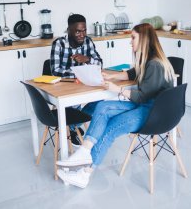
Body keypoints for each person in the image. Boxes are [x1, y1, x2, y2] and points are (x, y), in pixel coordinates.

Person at [56, 23, 176, 188]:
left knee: (110, 128)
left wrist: (117, 89)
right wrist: (112, 77)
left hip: (153, 114)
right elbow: (132, 73)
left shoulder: (155, 65)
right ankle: (84, 151)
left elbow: (141, 97)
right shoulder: (149, 60)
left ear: (144, 40)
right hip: (146, 106)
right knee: (102, 107)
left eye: (133, 38)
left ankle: (84, 174)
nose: (130, 42)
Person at [50, 14, 103, 145]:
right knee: (73, 104)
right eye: (78, 31)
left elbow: (100, 64)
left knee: (100, 100)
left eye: (84, 30)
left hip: (83, 84)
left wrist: (88, 59)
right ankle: (73, 127)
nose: (82, 34)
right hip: (64, 86)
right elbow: (55, 71)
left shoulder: (88, 41)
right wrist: (79, 73)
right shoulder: (59, 44)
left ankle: (72, 127)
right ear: (69, 30)